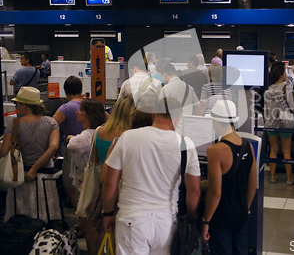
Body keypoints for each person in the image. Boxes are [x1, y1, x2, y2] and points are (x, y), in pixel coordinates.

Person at [102, 97, 201, 255]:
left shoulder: (127, 138)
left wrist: (107, 213)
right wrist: (191, 218)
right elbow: (194, 191)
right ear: (178, 118)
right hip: (166, 222)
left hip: (131, 221)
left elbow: (109, 183)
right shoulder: (186, 144)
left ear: (153, 113)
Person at [201, 100, 257, 255]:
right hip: (241, 215)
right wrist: (244, 208)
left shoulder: (215, 150)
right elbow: (252, 185)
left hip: (221, 218)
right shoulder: (248, 146)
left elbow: (215, 192)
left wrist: (206, 221)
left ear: (218, 122)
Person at [1, 87, 60, 223]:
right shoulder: (51, 122)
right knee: (45, 214)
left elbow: (4, 152)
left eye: (18, 104)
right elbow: (53, 147)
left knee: (20, 217)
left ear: (24, 105)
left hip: (19, 177)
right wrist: (35, 169)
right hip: (45, 178)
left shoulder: (14, 124)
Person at [66, 99, 106, 255]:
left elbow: (73, 144)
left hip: (87, 182)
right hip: (91, 181)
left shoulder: (87, 135)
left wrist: (69, 137)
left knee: (87, 223)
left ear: (90, 114)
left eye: (81, 110)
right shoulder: (100, 131)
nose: (77, 112)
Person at [265, 63, 294, 185]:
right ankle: (289, 178)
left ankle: (272, 176)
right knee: (286, 151)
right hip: (284, 123)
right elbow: (293, 107)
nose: (286, 75)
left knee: (273, 150)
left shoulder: (268, 89)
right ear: (281, 75)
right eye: (284, 73)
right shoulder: (286, 88)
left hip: (270, 123)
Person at [52, 76, 84, 211]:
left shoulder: (65, 108)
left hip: (72, 151)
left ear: (65, 91)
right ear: (81, 90)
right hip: (92, 150)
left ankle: (81, 216)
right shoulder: (91, 105)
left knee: (69, 185)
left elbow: (50, 126)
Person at [159, 62, 202, 132]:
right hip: (188, 125)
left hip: (173, 126)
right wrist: (190, 116)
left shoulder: (166, 89)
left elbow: (163, 110)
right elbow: (199, 106)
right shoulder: (189, 88)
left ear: (164, 74)